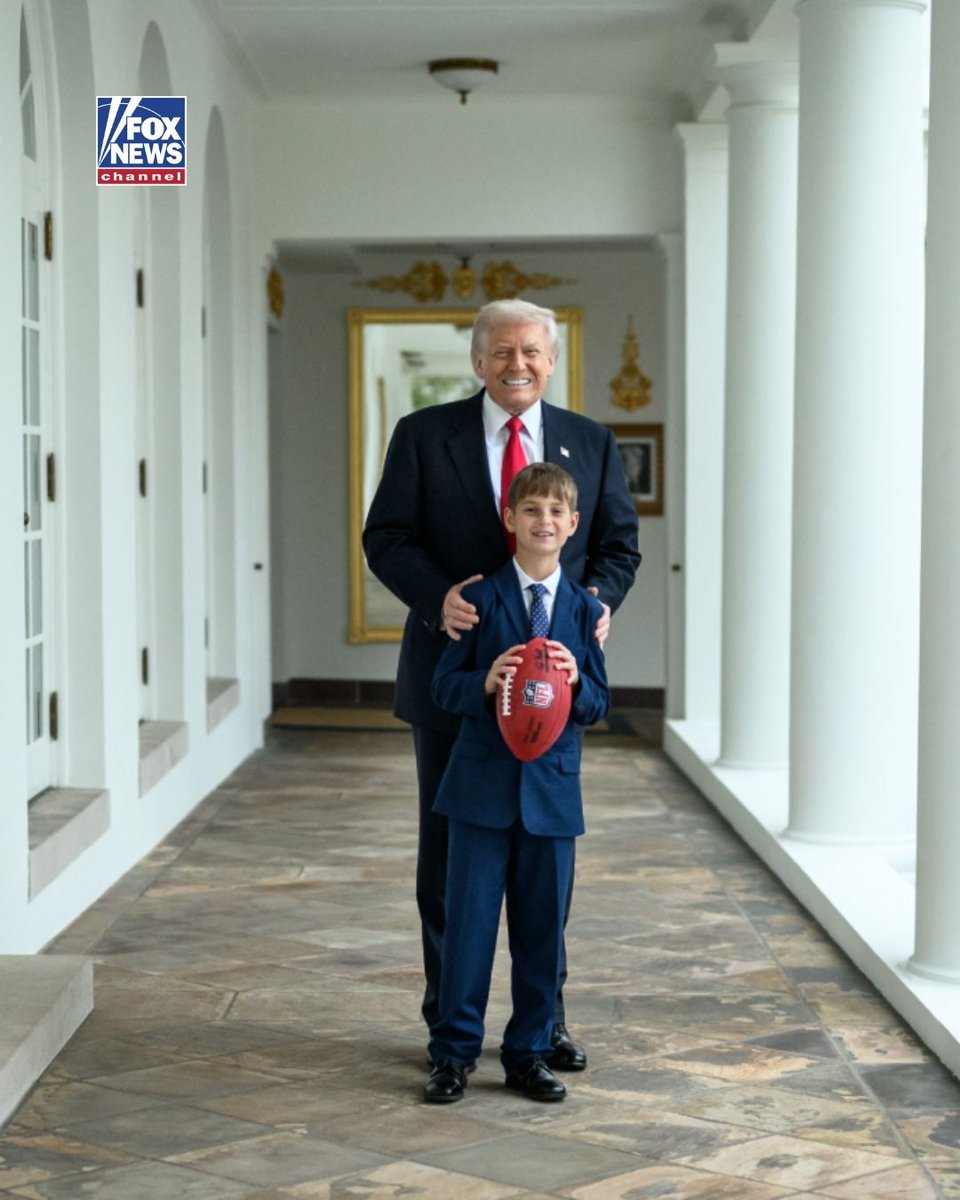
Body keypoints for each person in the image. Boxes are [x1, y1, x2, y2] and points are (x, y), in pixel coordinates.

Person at [363, 298, 640, 1070]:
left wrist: (600, 608)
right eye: (502, 352)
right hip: (451, 681)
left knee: (544, 866)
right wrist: (436, 595)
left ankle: (542, 1025)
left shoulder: (591, 441)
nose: (518, 364)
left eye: (532, 352)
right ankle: (447, 1028)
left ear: (551, 360)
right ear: (478, 361)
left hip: (553, 694)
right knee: (449, 862)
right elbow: (385, 537)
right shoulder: (424, 436)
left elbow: (619, 545)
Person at [424, 463, 609, 1104]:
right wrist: (483, 680)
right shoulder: (477, 600)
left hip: (552, 796)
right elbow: (442, 686)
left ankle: (529, 1051)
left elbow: (599, 703)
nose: (544, 522)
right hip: (479, 792)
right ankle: (452, 1052)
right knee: (469, 929)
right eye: (531, 511)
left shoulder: (585, 611)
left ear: (573, 525)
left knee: (540, 934)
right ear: (510, 518)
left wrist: (579, 680)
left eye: (556, 513)